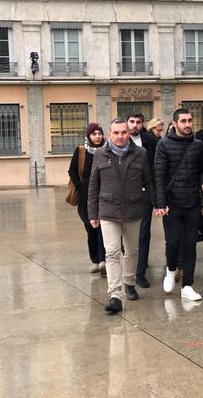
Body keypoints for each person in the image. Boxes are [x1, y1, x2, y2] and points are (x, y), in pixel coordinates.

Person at [88, 118, 154, 313]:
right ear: (109, 135)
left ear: (128, 133)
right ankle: (115, 294)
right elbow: (93, 185)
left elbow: (148, 181)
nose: (120, 136)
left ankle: (129, 282)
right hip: (108, 210)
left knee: (132, 251)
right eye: (116, 133)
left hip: (133, 210)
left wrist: (158, 204)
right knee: (112, 252)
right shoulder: (100, 154)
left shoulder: (140, 153)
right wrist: (93, 213)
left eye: (123, 132)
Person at [153, 108, 203, 301]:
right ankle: (170, 269)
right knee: (173, 242)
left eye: (189, 120)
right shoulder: (163, 144)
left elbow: (202, 170)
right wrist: (160, 203)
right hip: (171, 204)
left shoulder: (198, 145)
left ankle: (187, 285)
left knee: (190, 245)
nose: (187, 124)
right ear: (174, 124)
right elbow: (158, 176)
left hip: (192, 202)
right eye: (183, 121)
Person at [68, 123, 106, 275]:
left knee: (103, 229)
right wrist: (81, 187)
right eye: (93, 134)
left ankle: (104, 260)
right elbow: (72, 171)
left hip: (103, 196)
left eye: (99, 133)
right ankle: (95, 261)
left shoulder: (106, 151)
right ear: (88, 136)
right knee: (91, 229)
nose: (97, 136)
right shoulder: (81, 151)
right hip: (85, 198)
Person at [126, 113, 157, 289]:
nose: (135, 125)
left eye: (138, 122)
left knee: (143, 233)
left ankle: (140, 272)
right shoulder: (119, 139)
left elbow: (155, 166)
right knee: (126, 233)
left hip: (144, 194)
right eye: (132, 121)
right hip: (124, 195)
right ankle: (127, 269)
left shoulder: (150, 140)